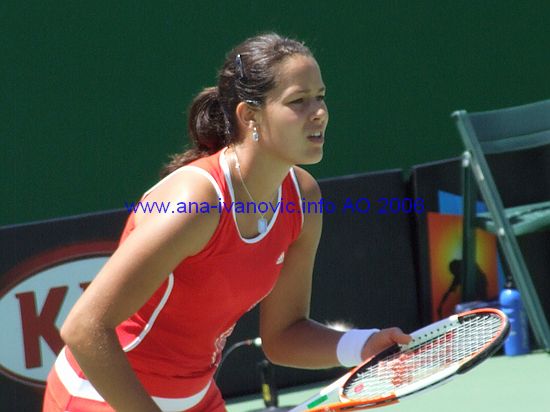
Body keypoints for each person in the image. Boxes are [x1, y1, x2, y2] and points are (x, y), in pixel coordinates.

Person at [42, 33, 411, 412]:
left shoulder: (302, 199)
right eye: (298, 101)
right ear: (249, 116)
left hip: (196, 399)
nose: (319, 112)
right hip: (100, 397)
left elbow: (284, 335)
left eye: (320, 96)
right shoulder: (196, 203)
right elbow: (84, 329)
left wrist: (362, 345)